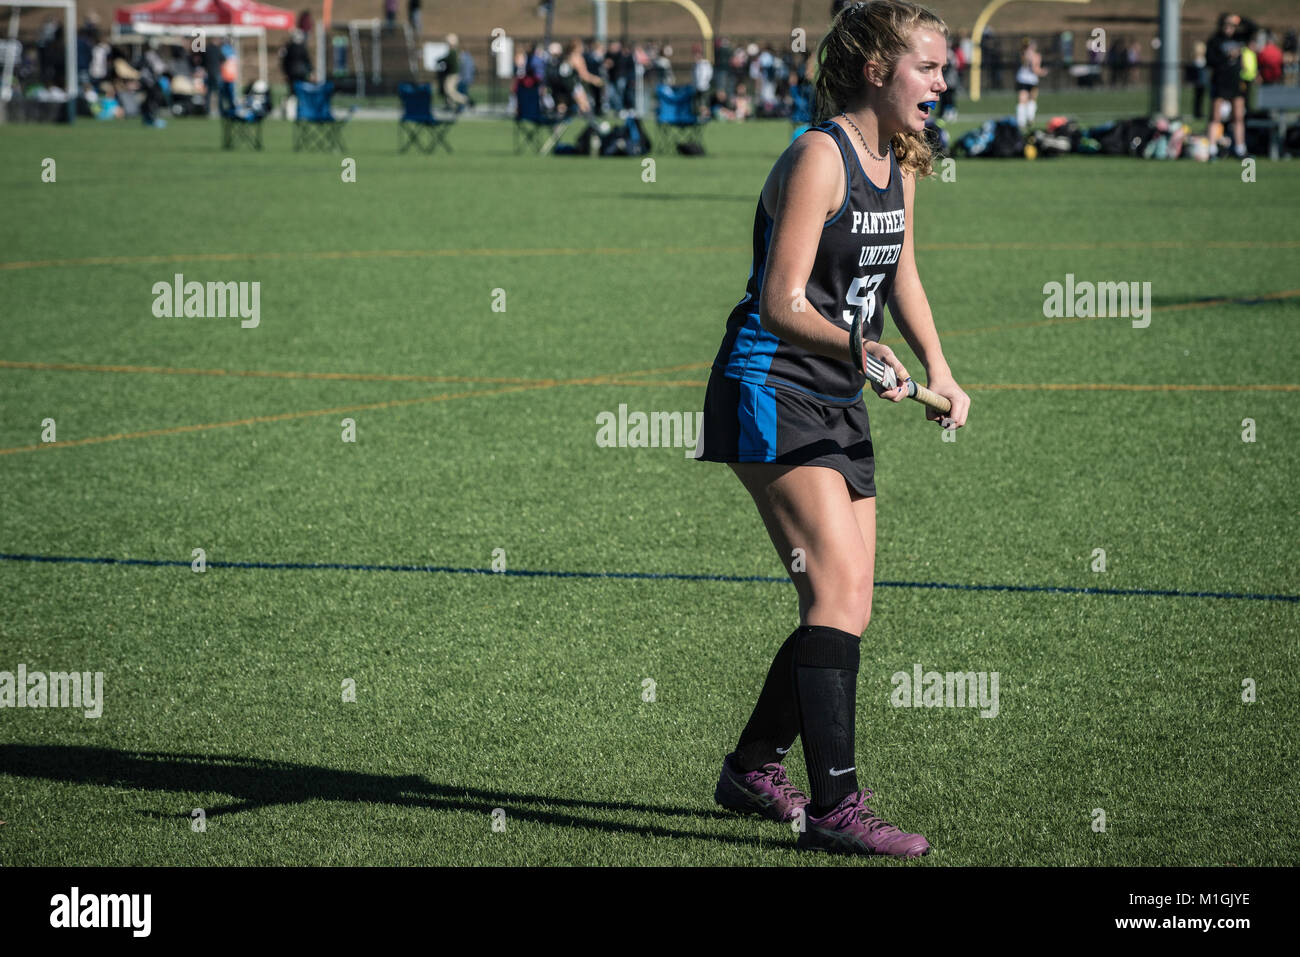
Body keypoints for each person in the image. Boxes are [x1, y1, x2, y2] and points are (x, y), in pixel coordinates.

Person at [695, 0, 969, 858]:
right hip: (769, 386)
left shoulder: (902, 160)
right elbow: (779, 304)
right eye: (928, 65)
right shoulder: (820, 157)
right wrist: (862, 347)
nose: (942, 80)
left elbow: (903, 275)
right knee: (837, 591)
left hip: (837, 391)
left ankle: (751, 765)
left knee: (846, 605)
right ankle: (836, 809)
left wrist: (939, 365)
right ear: (877, 70)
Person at [1207, 12, 1246, 157]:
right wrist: (1226, 56)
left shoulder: (1239, 39)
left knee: (1238, 116)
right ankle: (1212, 149)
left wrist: (1239, 18)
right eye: (1227, 24)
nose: (1230, 28)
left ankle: (1240, 148)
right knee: (1215, 116)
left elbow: (1253, 28)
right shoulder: (1215, 41)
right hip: (1220, 82)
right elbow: (1210, 61)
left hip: (1235, 82)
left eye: (1233, 25)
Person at [1014, 37, 1045, 129]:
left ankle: (1022, 121)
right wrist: (1043, 72)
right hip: (1030, 80)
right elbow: (1036, 69)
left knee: (1023, 100)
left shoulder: (1024, 54)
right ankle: (1028, 119)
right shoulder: (1034, 55)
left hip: (1023, 79)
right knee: (1030, 99)